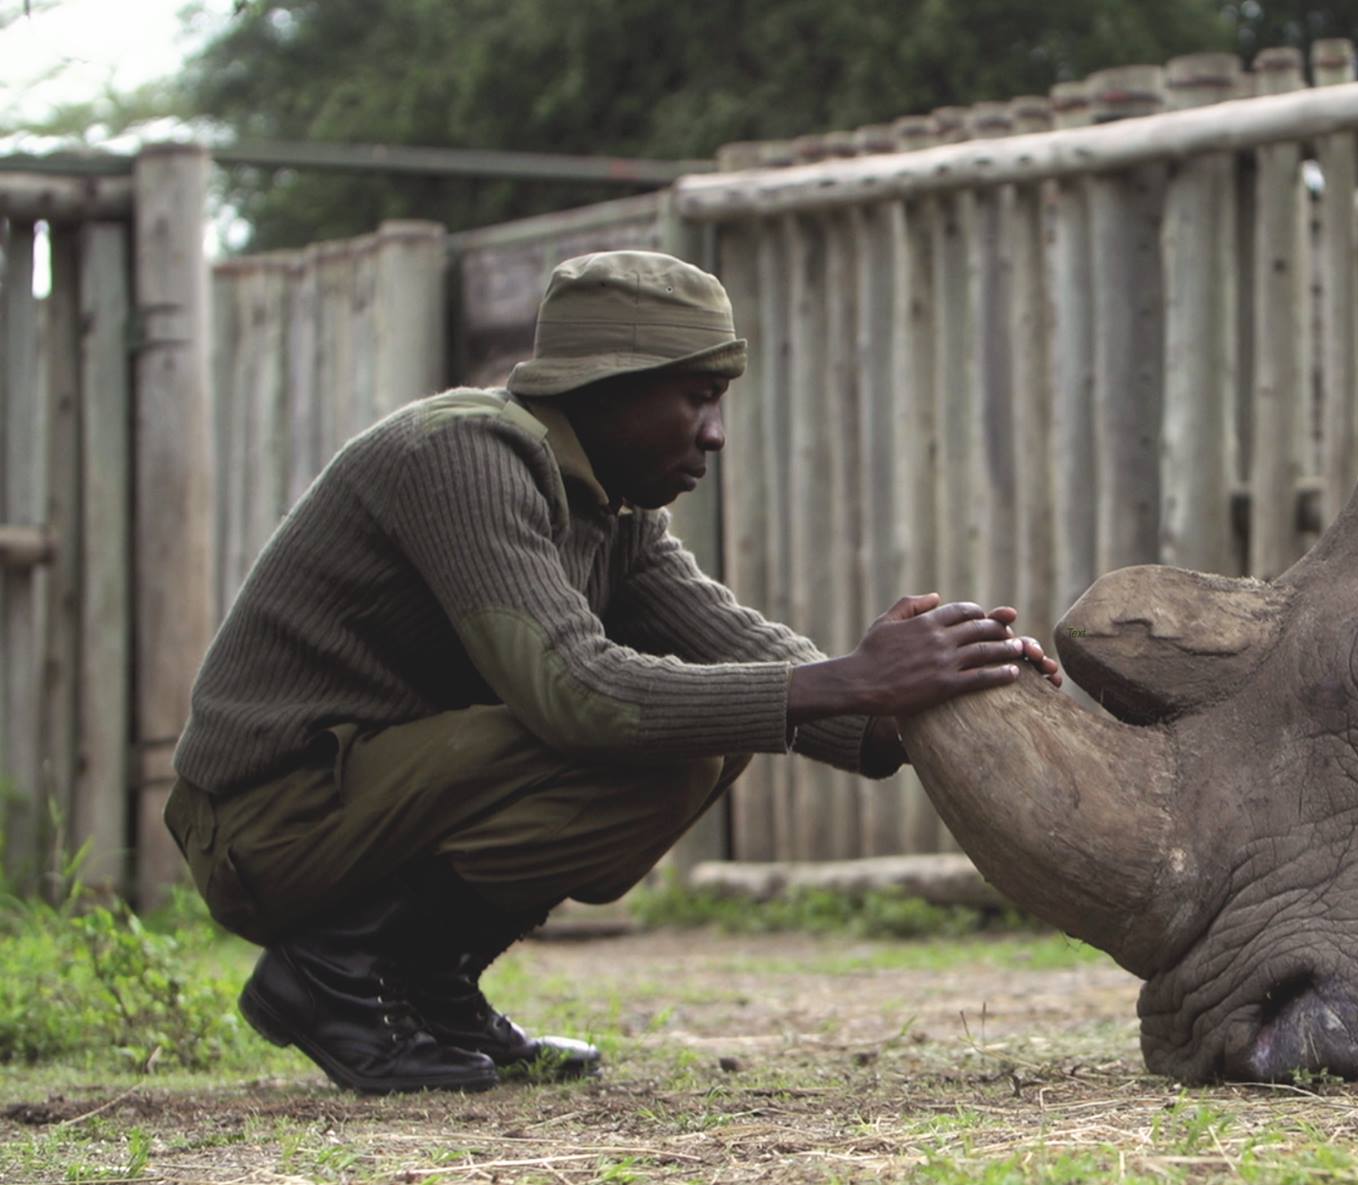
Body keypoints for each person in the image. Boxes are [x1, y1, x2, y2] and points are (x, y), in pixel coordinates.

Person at [162, 250, 1060, 1095]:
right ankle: (334, 973)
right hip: (270, 820)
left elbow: (743, 649)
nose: (714, 435)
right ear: (605, 387)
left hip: (366, 798)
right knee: (658, 739)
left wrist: (933, 695)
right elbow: (574, 691)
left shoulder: (614, 511)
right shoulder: (464, 455)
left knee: (712, 731)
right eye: (697, 398)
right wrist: (852, 681)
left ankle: (430, 985)